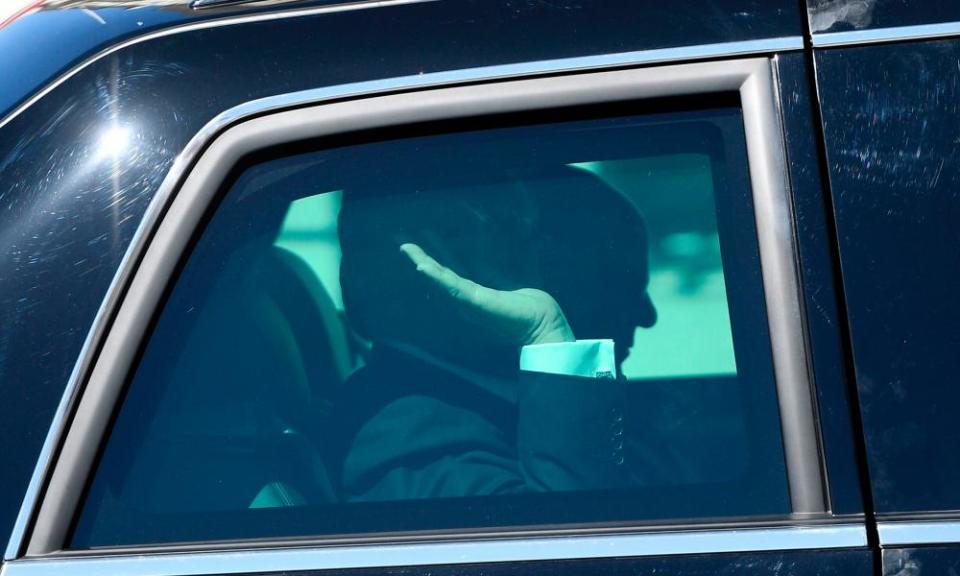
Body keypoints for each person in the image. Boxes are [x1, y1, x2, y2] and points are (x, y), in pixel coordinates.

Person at [330, 164, 656, 501]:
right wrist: (546, 333)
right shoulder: (404, 436)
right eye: (518, 230)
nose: (648, 315)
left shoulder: (469, 402)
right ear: (438, 259)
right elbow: (578, 539)